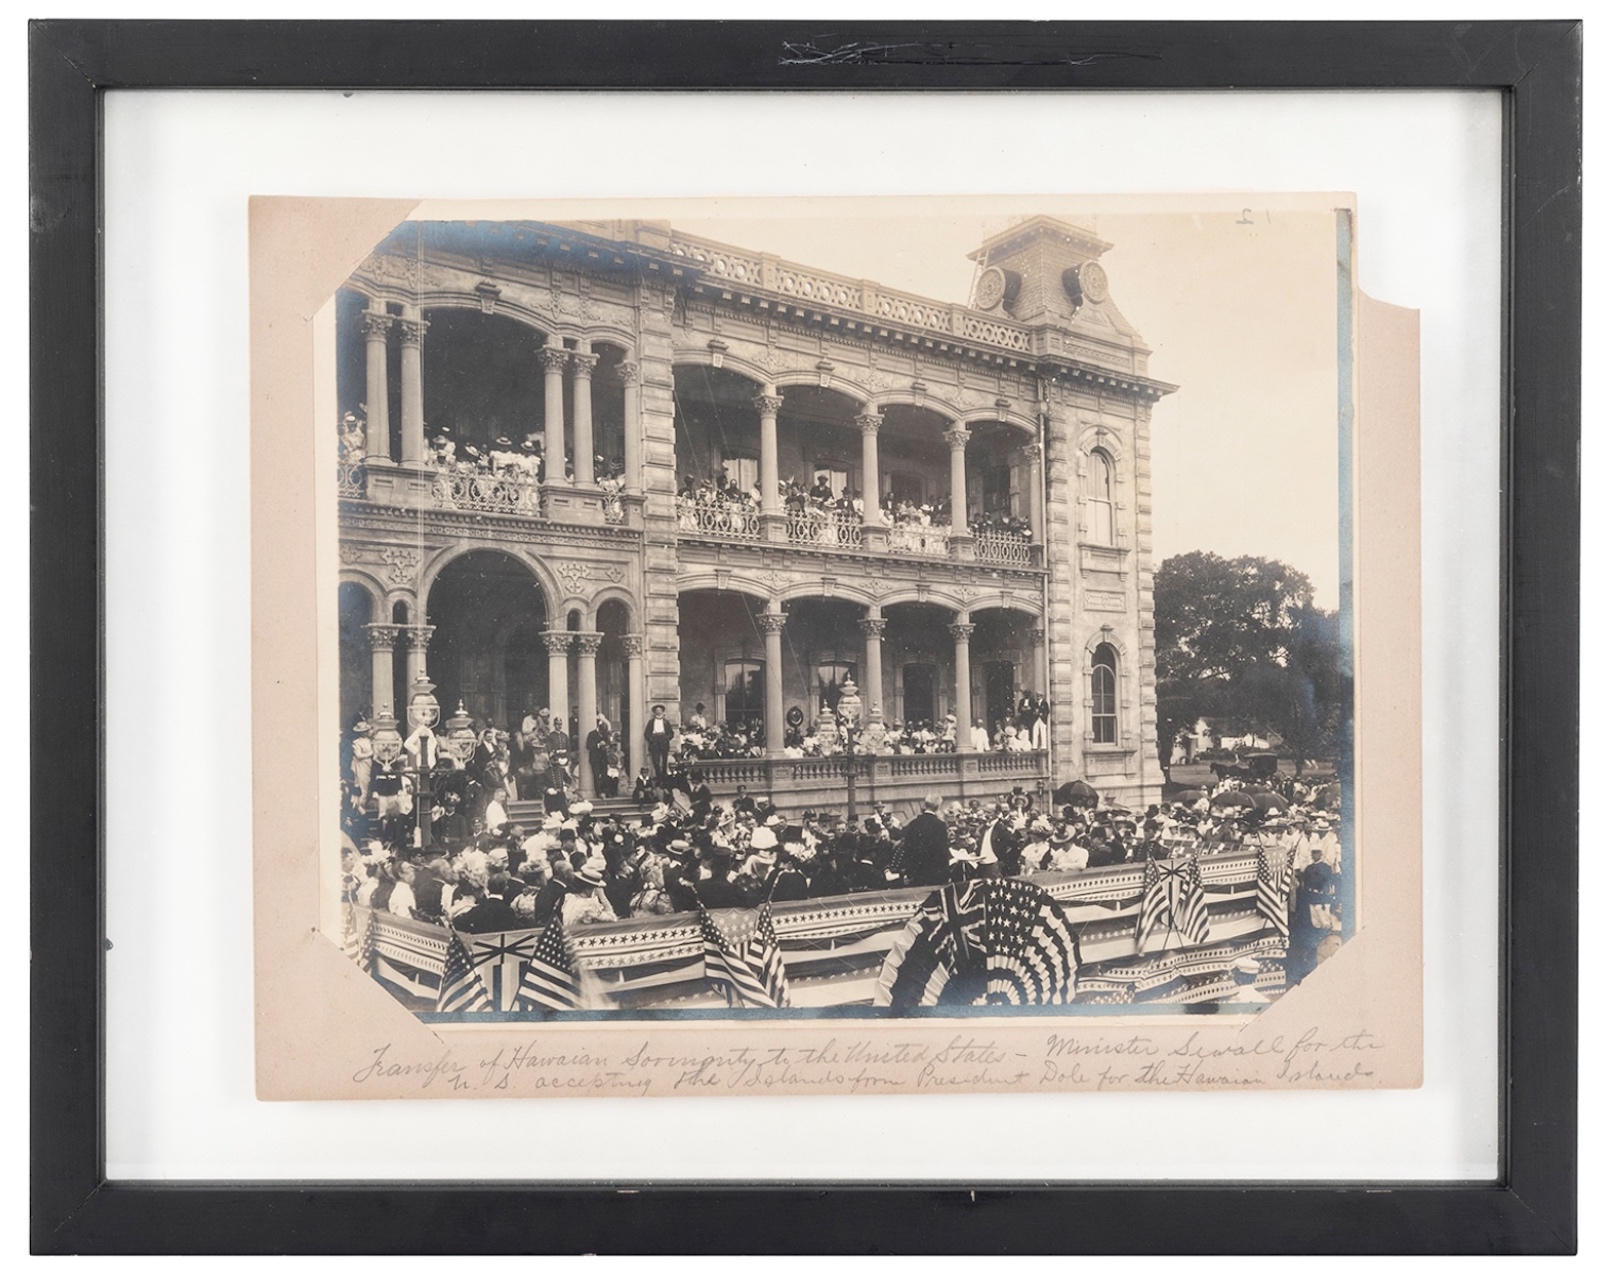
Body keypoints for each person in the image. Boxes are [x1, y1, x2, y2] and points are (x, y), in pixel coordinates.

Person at [897, 794, 952, 888]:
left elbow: (908, 849)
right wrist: (946, 874)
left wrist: (909, 871)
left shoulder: (913, 824)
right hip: (935, 872)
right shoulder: (940, 825)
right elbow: (942, 851)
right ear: (937, 807)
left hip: (917, 872)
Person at [645, 704, 675, 782]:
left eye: (660, 710)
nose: (658, 712)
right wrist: (651, 739)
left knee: (664, 760)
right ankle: (658, 776)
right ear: (654, 712)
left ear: (662, 711)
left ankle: (664, 777)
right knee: (656, 760)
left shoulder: (666, 722)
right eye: (657, 711)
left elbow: (671, 733)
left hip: (663, 741)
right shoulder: (651, 722)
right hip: (655, 742)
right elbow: (647, 733)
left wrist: (666, 738)